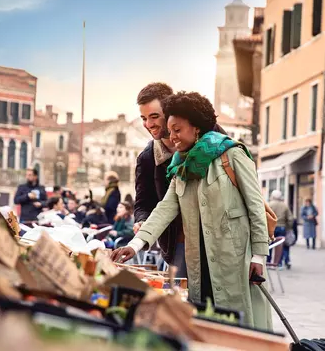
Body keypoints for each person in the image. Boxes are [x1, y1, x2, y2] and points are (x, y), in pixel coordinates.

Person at [112, 91, 272, 330]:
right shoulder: (180, 169)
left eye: (177, 130)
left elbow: (256, 207)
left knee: (239, 323)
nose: (172, 137)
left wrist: (259, 255)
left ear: (196, 128)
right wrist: (134, 245)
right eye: (170, 130)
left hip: (236, 259)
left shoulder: (233, 155)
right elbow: (164, 209)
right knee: (205, 321)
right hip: (199, 260)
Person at [134, 83, 227, 278]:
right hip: (180, 241)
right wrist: (142, 221)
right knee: (184, 298)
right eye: (143, 118)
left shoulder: (212, 135)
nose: (148, 124)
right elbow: (144, 202)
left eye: (154, 116)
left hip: (222, 236)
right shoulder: (147, 158)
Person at [268, 190, 293, 269]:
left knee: (270, 245)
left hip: (271, 227)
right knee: (279, 246)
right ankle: (278, 264)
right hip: (282, 227)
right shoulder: (284, 206)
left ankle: (268, 263)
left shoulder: (269, 204)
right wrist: (288, 227)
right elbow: (290, 218)